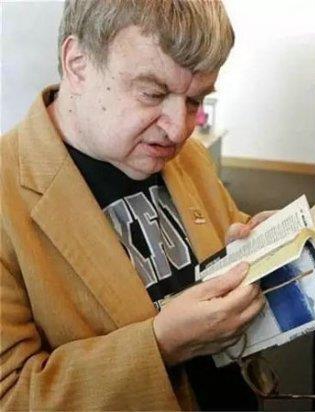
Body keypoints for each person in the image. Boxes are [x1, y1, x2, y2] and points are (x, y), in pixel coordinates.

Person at [0, 0, 273, 409]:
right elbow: (12, 396)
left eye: (195, 101)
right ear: (77, 64)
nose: (179, 130)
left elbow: (225, 232)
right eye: (152, 93)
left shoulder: (187, 157)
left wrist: (258, 243)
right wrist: (161, 346)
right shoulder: (8, 194)